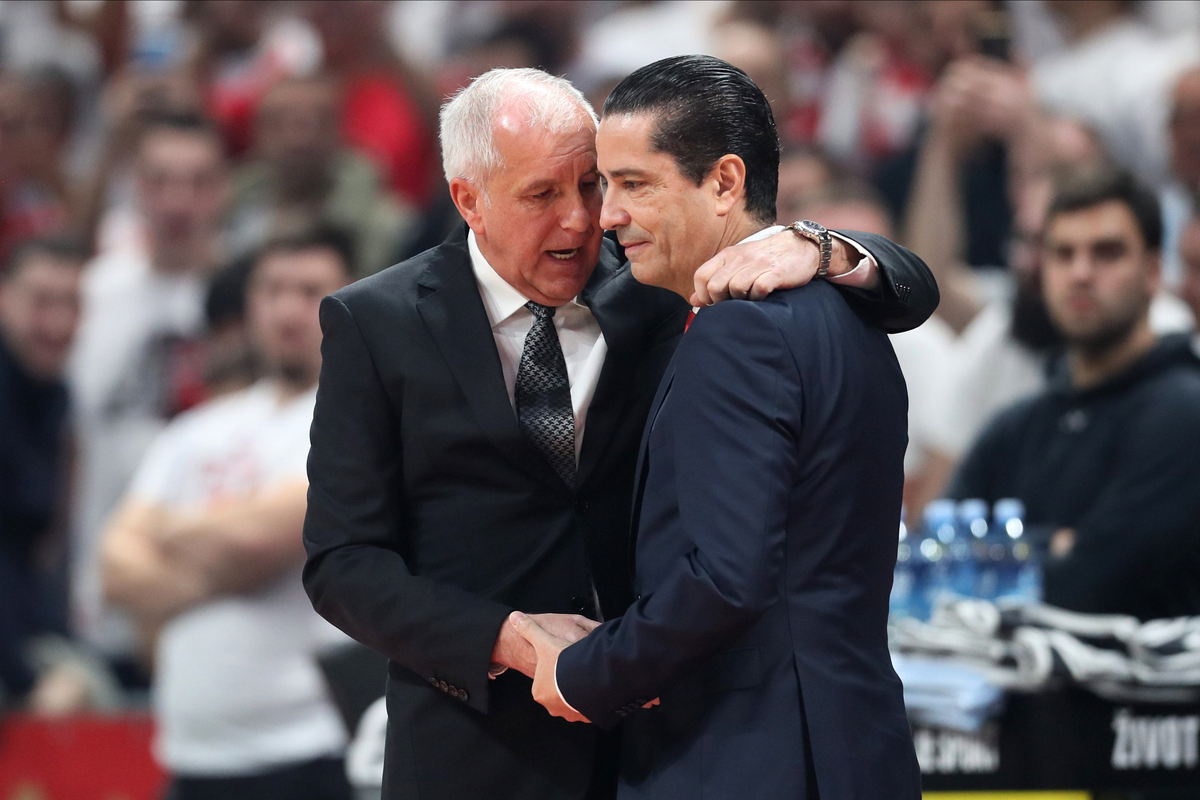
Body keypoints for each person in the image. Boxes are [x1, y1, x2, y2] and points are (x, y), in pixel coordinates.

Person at [301, 66, 936, 800]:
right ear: (467, 199)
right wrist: (507, 637)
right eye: (542, 194)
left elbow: (907, 288)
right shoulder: (377, 323)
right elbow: (343, 563)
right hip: (482, 747)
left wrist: (822, 246)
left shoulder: (668, 281)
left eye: (594, 184)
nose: (584, 219)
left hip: (668, 734)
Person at [514, 55, 921, 800]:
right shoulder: (849, 308)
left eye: (636, 185)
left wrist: (585, 672)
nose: (608, 216)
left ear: (725, 181)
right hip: (851, 743)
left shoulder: (740, 333)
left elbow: (727, 579)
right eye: (608, 186)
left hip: (751, 758)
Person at [101, 228, 356, 800]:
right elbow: (113, 567)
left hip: (302, 748)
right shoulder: (196, 429)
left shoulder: (358, 421)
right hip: (191, 756)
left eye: (309, 290)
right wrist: (226, 550)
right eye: (272, 289)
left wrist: (165, 532)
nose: (287, 309)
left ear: (349, 299)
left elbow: (259, 543)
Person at [946, 165, 1200, 620]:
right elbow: (940, 563)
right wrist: (1053, 543)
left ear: (1153, 271)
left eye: (1107, 253)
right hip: (998, 687)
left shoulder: (1185, 413)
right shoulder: (1016, 424)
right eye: (1063, 254)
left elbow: (1089, 590)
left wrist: (1005, 547)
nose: (1080, 273)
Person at [69, 111, 229, 663]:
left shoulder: (246, 304)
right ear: (135, 188)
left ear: (222, 189)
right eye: (159, 180)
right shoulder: (91, 294)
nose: (176, 201)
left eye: (197, 181)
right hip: (100, 593)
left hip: (210, 603)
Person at [0, 237, 87, 710]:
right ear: (4, 297)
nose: (56, 324)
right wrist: (24, 682)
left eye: (70, 304)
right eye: (40, 302)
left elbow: (38, 549)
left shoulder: (56, 395)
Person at [229, 76, 415, 277]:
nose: (298, 138)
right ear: (257, 133)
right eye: (279, 122)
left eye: (315, 122)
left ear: (340, 130)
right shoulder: (227, 210)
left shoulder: (387, 226)